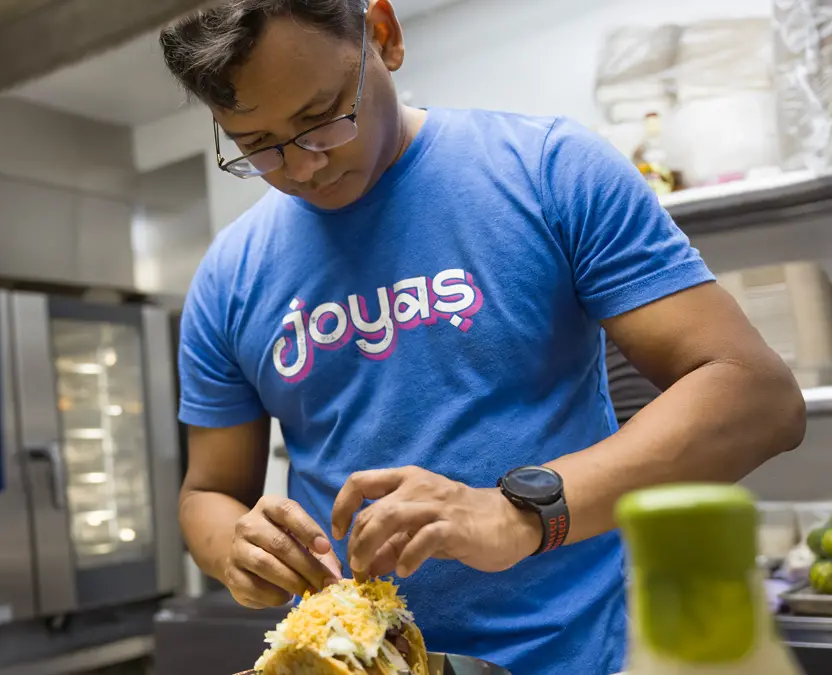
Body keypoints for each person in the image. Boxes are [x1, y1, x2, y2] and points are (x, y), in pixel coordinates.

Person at [159, 1, 806, 673]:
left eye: (321, 116)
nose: (301, 167)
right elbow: (207, 494)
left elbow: (756, 395)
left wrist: (517, 514)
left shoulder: (549, 168)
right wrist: (235, 545)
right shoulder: (229, 277)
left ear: (384, 35)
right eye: (256, 144)